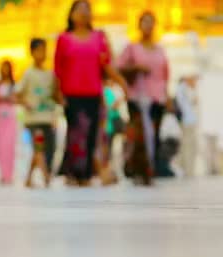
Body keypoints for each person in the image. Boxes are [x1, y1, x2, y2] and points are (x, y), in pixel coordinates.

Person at [54, 0, 127, 186]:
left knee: (91, 134)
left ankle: (86, 174)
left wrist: (121, 83)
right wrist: (58, 93)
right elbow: (58, 69)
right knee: (76, 134)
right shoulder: (64, 39)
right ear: (71, 14)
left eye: (87, 9)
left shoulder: (99, 37)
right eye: (79, 9)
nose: (84, 13)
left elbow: (106, 65)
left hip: (93, 93)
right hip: (72, 94)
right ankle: (74, 173)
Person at [117, 11, 170, 177]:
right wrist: (136, 68)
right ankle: (135, 168)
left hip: (157, 98)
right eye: (145, 22)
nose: (148, 26)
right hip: (137, 97)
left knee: (153, 134)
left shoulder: (160, 49)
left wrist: (166, 96)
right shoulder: (132, 48)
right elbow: (119, 68)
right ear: (139, 25)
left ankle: (151, 167)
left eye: (151, 22)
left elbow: (165, 74)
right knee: (138, 135)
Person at [18, 38, 60, 185]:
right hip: (33, 119)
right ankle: (46, 177)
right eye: (39, 50)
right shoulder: (28, 73)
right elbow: (17, 94)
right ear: (32, 52)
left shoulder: (50, 74)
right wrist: (26, 103)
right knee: (39, 147)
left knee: (47, 148)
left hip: (47, 117)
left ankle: (28, 178)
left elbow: (55, 95)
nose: (42, 54)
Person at [0, 60, 17, 184]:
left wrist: (9, 98)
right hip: (0, 114)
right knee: (0, 145)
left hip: (10, 114)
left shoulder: (14, 84)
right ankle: (2, 173)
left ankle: (9, 174)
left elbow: (16, 98)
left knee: (10, 144)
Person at [176, 75, 200, 177]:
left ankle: (188, 170)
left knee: (189, 146)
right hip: (187, 121)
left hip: (189, 120)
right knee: (188, 146)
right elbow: (188, 105)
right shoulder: (183, 88)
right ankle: (188, 170)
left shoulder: (184, 89)